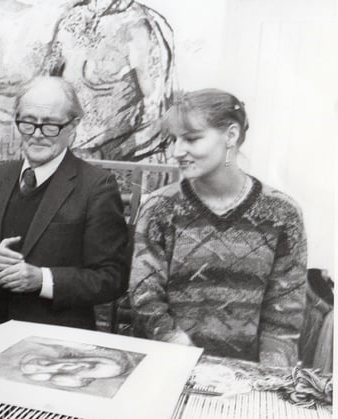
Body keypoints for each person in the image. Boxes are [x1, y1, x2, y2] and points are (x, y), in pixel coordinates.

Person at [129, 88, 306, 366]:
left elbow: (284, 315)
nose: (177, 152)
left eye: (192, 139)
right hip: (168, 367)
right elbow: (145, 297)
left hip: (247, 380)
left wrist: (271, 377)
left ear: (231, 136)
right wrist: (186, 358)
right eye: (173, 140)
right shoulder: (160, 208)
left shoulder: (282, 213)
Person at [0, 76, 130, 329]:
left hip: (53, 339)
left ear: (73, 125)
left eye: (50, 126)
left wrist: (42, 279)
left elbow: (112, 278)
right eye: (28, 123)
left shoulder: (96, 187)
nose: (37, 135)